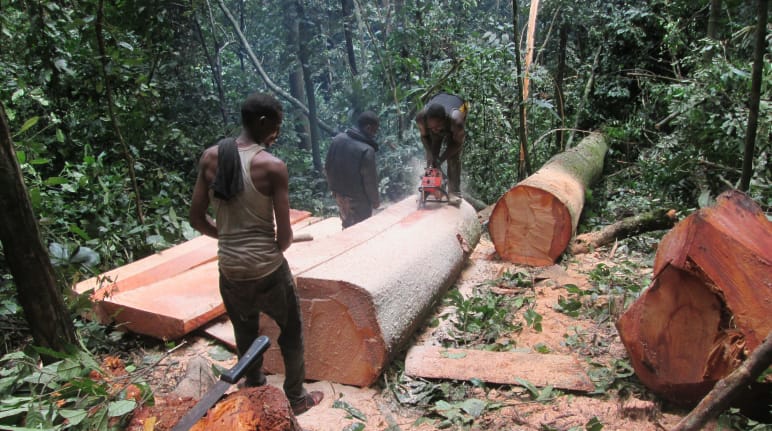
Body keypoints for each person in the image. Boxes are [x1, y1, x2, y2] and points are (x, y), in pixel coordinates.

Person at [188, 92, 323, 416]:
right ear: (263, 122)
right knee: (290, 333)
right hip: (267, 270)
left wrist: (228, 238)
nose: (277, 134)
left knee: (245, 332)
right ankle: (296, 397)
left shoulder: (210, 158)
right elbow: (285, 235)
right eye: (276, 126)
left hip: (230, 270)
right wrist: (269, 251)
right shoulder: (272, 166)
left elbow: (195, 218)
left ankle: (255, 390)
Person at [325, 111, 381, 228]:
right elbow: (370, 182)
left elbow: (327, 166)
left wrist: (335, 191)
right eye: (374, 131)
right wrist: (375, 201)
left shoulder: (337, 139)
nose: (374, 135)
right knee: (361, 231)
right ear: (368, 128)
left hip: (339, 196)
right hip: (358, 201)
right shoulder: (367, 150)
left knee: (347, 225)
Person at [415, 92, 468, 198]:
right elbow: (424, 137)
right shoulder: (421, 118)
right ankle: (431, 187)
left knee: (453, 158)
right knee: (432, 155)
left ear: (444, 120)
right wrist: (432, 155)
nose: (435, 130)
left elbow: (458, 143)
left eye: (438, 126)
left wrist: (442, 158)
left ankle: (454, 192)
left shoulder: (456, 121)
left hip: (460, 105)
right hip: (437, 98)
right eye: (431, 128)